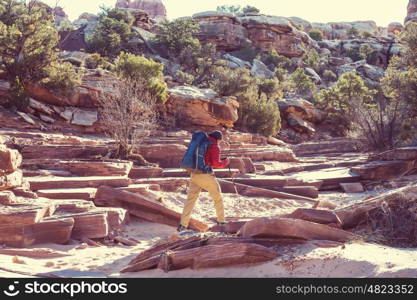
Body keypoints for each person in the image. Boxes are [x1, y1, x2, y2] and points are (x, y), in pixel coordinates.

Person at [177, 130, 229, 232]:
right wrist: (226, 162)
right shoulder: (214, 146)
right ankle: (221, 221)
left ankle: (182, 225)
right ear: (218, 139)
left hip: (194, 174)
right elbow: (215, 163)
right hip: (206, 175)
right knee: (217, 198)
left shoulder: (201, 143)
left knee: (190, 201)